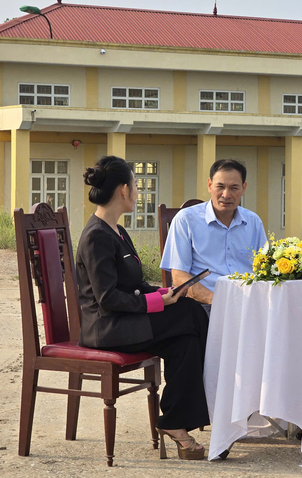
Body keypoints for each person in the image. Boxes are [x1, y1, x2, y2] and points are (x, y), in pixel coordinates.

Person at [76, 155, 209, 460]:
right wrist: (155, 302)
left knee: (186, 339)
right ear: (123, 189)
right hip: (106, 328)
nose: (138, 191)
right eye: (136, 185)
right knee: (191, 315)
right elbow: (108, 299)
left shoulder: (117, 232)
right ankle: (202, 406)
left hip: (127, 321)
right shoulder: (96, 236)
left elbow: (132, 286)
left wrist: (165, 292)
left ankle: (175, 422)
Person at [160, 158, 267, 315]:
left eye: (234, 188)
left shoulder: (253, 222)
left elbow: (265, 269)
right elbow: (179, 276)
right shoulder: (186, 220)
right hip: (206, 306)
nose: (226, 194)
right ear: (210, 185)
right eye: (220, 187)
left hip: (250, 304)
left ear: (244, 188)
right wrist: (218, 301)